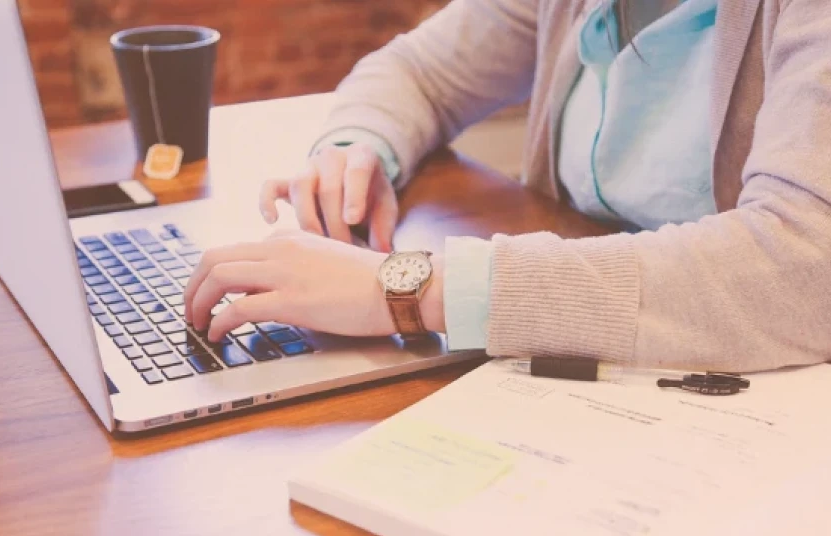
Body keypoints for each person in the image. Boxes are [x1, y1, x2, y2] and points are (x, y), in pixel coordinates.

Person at [184, 0, 831, 373]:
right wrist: (357, 148)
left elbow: (804, 268)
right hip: (587, 369)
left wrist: (409, 289)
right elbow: (421, 70)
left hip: (750, 393)